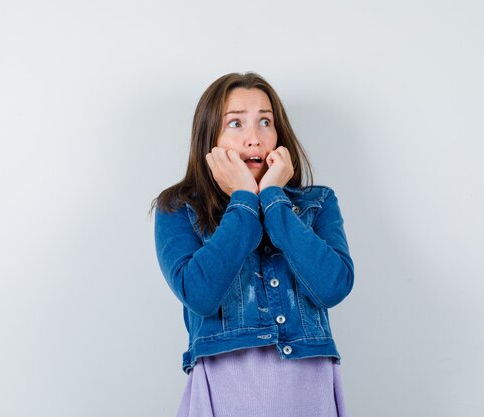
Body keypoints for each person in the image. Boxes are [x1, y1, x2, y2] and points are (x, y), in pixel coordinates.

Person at [151, 72, 354, 417]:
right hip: (225, 386)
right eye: (235, 123)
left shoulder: (317, 202)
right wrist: (243, 199)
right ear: (209, 137)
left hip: (309, 388)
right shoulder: (178, 208)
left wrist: (274, 199)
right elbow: (200, 294)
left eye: (265, 121)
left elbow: (333, 286)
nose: (254, 138)